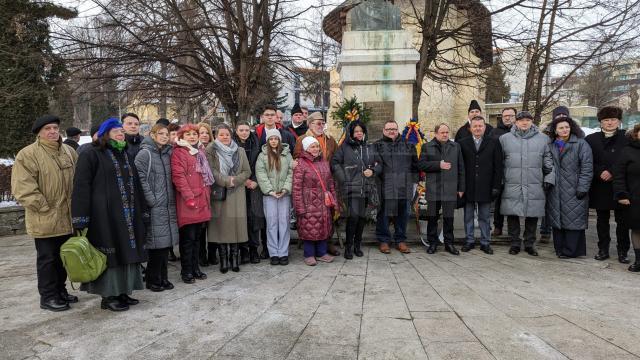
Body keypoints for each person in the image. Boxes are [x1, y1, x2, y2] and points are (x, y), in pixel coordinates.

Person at [71, 117, 147, 311]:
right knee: (110, 255)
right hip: (104, 216)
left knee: (127, 252)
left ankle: (123, 291)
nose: (121, 133)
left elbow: (136, 183)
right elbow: (81, 186)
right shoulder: (92, 154)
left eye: (121, 131)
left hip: (128, 214)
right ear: (105, 133)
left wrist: (143, 209)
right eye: (116, 131)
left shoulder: (125, 153)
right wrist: (80, 217)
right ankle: (109, 296)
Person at [11, 115, 78, 312]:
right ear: (39, 132)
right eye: (47, 128)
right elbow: (23, 188)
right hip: (45, 218)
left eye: (55, 128)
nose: (52, 132)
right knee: (48, 259)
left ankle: (61, 290)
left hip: (68, 217)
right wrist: (44, 207)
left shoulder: (69, 151)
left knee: (64, 257)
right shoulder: (28, 155)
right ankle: (48, 296)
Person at [499, 111, 554, 256]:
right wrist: (500, 180)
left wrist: (549, 178)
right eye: (521, 120)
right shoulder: (504, 139)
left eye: (527, 120)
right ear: (515, 122)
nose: (524, 122)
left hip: (534, 182)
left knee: (532, 214)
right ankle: (515, 243)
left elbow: (549, 161)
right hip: (512, 182)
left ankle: (530, 243)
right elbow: (500, 162)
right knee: (512, 214)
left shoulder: (543, 139)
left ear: (532, 122)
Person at [134, 124, 179, 291]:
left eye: (166, 134)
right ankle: (153, 280)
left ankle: (163, 277)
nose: (164, 136)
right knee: (156, 246)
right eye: (160, 133)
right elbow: (140, 178)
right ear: (152, 135)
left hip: (168, 204)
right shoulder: (145, 153)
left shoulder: (167, 153)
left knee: (166, 244)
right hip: (155, 205)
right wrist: (151, 199)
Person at [586, 106, 631, 263]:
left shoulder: (627, 138)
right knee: (602, 220)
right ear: (600, 122)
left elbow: (629, 160)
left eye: (613, 119)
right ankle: (603, 249)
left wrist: (612, 171)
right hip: (600, 185)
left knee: (622, 220)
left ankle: (622, 251)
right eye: (606, 120)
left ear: (619, 121)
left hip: (620, 185)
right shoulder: (591, 139)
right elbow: (587, 160)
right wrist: (600, 171)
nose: (609, 123)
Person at [293, 111, 341, 256]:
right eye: (318, 123)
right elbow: (297, 158)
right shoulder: (302, 139)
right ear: (310, 124)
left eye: (323, 123)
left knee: (328, 216)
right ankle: (310, 248)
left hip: (327, 181)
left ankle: (327, 243)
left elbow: (337, 157)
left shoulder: (330, 139)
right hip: (310, 184)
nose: (321, 125)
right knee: (311, 219)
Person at [331, 120, 380, 259]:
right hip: (352, 188)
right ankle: (349, 247)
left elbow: (380, 164)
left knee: (362, 218)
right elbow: (335, 163)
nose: (359, 133)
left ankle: (358, 246)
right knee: (353, 217)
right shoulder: (345, 148)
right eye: (356, 131)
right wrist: (344, 179)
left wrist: (373, 171)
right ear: (351, 133)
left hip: (367, 188)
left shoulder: (369, 147)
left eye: (361, 131)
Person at [206, 124, 251, 273]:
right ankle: (224, 260)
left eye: (227, 134)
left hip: (237, 193)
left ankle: (234, 258)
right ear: (216, 136)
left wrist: (235, 180)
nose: (225, 137)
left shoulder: (240, 150)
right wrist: (226, 181)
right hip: (220, 192)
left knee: (235, 226)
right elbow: (211, 170)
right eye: (221, 135)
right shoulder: (211, 150)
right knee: (221, 227)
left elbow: (246, 171)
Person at [546, 117, 593, 258]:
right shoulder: (552, 145)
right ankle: (560, 249)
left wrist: (583, 187)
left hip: (574, 189)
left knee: (574, 221)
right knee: (558, 220)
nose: (564, 130)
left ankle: (571, 250)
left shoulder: (581, 144)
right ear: (555, 130)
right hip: (555, 190)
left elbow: (587, 168)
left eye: (567, 127)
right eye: (561, 128)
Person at [171, 123, 213, 284]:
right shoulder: (179, 152)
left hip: (202, 199)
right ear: (181, 137)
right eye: (188, 134)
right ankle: (186, 270)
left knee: (197, 238)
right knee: (187, 239)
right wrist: (189, 196)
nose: (192, 136)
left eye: (194, 134)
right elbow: (179, 177)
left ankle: (195, 268)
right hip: (188, 201)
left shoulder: (199, 151)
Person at [418, 123, 465, 255]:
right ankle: (432, 243)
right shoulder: (427, 146)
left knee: (449, 218)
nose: (445, 135)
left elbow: (461, 167)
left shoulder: (455, 146)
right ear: (436, 133)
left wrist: (461, 187)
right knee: (432, 217)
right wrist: (438, 165)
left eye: (447, 132)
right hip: (434, 188)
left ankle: (449, 243)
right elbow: (421, 165)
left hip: (450, 188)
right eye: (442, 132)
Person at [459, 116, 503, 254]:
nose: (477, 128)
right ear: (470, 128)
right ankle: (469, 240)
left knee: (484, 216)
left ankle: (485, 242)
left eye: (480, 126)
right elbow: (460, 167)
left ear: (484, 127)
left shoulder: (494, 142)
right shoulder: (462, 143)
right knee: (468, 216)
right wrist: (460, 186)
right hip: (468, 186)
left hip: (486, 186)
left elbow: (498, 166)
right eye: (475, 126)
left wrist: (496, 186)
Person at [374, 120, 419, 254]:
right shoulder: (377, 146)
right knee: (384, 215)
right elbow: (375, 165)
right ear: (384, 131)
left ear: (398, 129)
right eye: (388, 129)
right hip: (385, 186)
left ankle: (400, 240)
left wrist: (415, 183)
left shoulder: (408, 145)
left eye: (394, 128)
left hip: (404, 186)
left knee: (403, 214)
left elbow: (415, 166)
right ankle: (384, 240)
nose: (391, 131)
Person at [256, 129, 294, 265]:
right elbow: (261, 174)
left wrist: (285, 189)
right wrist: (270, 190)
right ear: (267, 140)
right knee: (272, 224)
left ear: (279, 140)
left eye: (276, 139)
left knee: (284, 223)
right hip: (270, 195)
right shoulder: (262, 156)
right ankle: (273, 253)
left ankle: (283, 252)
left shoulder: (287, 155)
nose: (273, 141)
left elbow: (291, 173)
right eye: (271, 139)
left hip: (284, 195)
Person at [234, 122, 265, 264]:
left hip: (254, 185)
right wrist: (244, 180)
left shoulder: (256, 143)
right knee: (241, 218)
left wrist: (253, 180)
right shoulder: (232, 144)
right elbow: (231, 166)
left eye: (247, 130)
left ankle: (254, 250)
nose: (244, 132)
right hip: (238, 186)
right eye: (241, 130)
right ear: (236, 131)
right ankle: (243, 251)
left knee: (254, 217)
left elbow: (260, 165)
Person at [613, 124, 640, 272]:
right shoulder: (627, 151)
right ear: (636, 134)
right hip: (635, 199)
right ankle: (639, 260)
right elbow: (619, 176)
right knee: (637, 229)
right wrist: (621, 194)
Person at [491, 107, 516, 236]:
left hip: (515, 171)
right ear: (502, 117)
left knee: (513, 201)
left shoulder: (519, 131)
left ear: (515, 117)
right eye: (505, 115)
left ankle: (513, 230)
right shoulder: (494, 132)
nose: (508, 118)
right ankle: (498, 226)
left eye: (511, 115)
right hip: (499, 170)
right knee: (499, 200)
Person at [196, 122, 216, 268]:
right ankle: (201, 255)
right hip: (200, 192)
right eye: (200, 132)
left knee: (214, 224)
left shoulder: (215, 149)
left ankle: (213, 253)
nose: (204, 135)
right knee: (201, 227)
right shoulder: (192, 150)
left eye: (206, 132)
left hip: (214, 191)